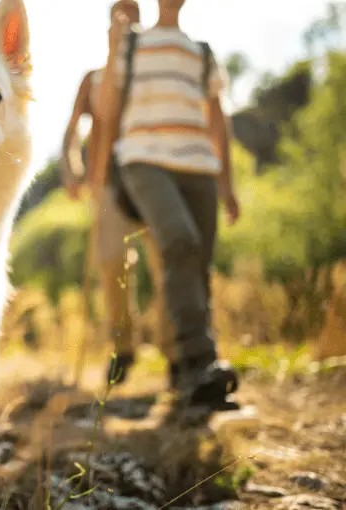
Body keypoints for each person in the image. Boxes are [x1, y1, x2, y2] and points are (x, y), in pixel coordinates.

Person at [95, 0, 242, 406]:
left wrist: (227, 184)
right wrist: (111, 52)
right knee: (179, 240)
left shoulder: (202, 52)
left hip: (198, 165)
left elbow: (217, 119)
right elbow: (107, 111)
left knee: (198, 263)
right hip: (143, 160)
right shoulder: (132, 45)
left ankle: (190, 373)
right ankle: (199, 361)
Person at [61, 0, 178, 389]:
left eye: (133, 17)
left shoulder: (151, 74)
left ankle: (173, 352)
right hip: (110, 183)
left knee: (166, 264)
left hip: (155, 177)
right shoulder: (94, 77)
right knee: (111, 264)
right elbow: (74, 127)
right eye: (119, 15)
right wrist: (72, 164)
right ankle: (123, 348)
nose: (127, 21)